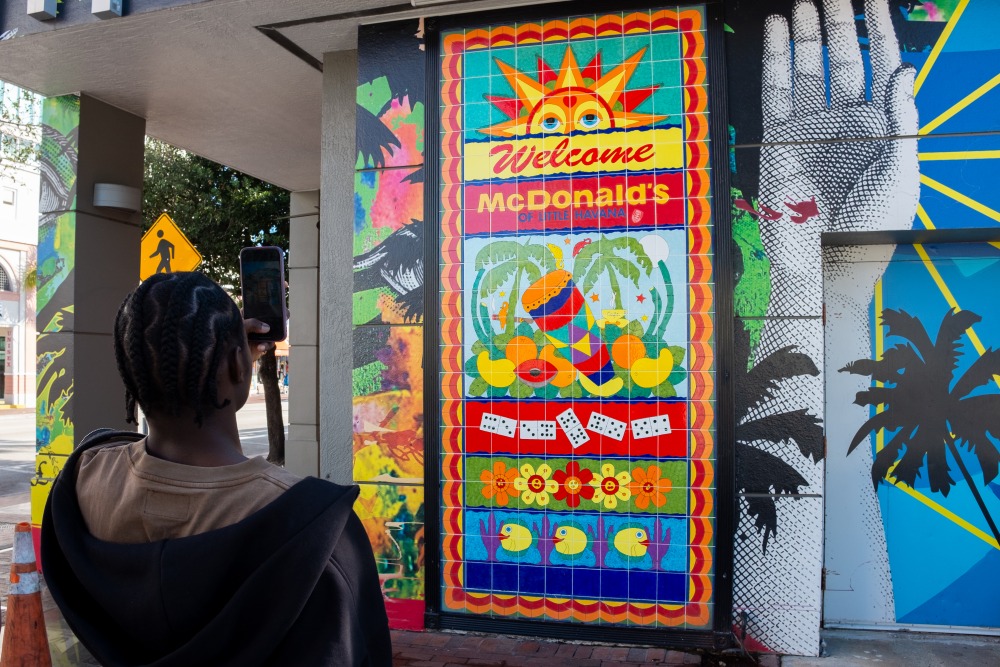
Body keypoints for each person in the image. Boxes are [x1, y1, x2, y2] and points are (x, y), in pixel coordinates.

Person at [41, 272, 391, 667]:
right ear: (238, 364)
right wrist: (226, 360)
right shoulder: (318, 535)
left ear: (129, 370)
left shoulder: (80, 482)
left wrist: (219, 359)